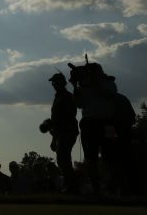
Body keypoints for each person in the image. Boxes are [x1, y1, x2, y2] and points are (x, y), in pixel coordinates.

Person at [70, 61, 117, 194]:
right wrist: (75, 86)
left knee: (111, 156)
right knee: (90, 157)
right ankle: (96, 188)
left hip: (108, 123)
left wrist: (93, 83)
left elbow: (109, 94)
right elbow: (79, 104)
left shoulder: (108, 83)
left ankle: (111, 186)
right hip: (89, 123)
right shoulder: (84, 86)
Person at [43, 72, 79, 193]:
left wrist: (52, 126)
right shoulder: (58, 96)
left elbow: (66, 117)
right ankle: (71, 186)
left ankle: (72, 187)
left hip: (67, 131)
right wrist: (54, 137)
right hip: (61, 133)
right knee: (62, 159)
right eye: (53, 82)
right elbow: (56, 119)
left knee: (64, 159)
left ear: (61, 83)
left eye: (55, 82)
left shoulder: (67, 96)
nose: (53, 84)